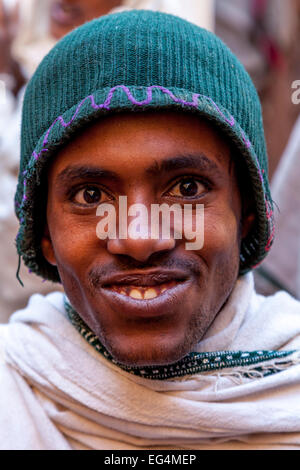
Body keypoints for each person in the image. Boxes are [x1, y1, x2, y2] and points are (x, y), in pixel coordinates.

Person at [1, 10, 300, 451]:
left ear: (247, 217)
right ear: (44, 234)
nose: (140, 240)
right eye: (90, 196)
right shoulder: (14, 386)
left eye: (187, 187)